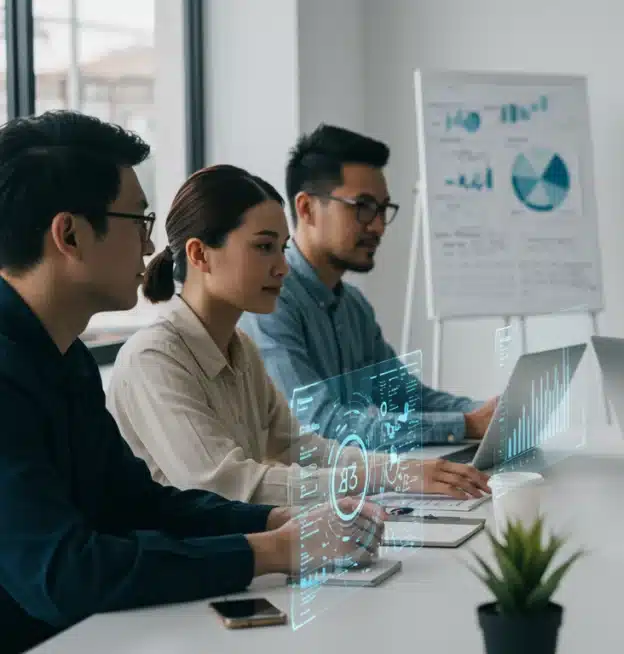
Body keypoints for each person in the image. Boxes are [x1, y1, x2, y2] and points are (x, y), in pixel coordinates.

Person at [0, 112, 384, 653]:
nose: (151, 244)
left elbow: (139, 503)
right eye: (138, 220)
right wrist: (271, 551)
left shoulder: (64, 358)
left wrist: (277, 520)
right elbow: (64, 573)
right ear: (70, 234)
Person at [105, 164, 492, 507]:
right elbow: (225, 486)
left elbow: (301, 447)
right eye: (263, 247)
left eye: (282, 248)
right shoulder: (154, 357)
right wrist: (390, 476)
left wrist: (404, 470)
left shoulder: (242, 349)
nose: (282, 267)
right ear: (200, 254)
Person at [238, 124, 498, 446]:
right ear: (306, 208)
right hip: (301, 490)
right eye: (362, 207)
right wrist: (464, 424)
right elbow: (319, 425)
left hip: (353, 481)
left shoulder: (353, 306)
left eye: (382, 209)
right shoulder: (271, 301)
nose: (377, 226)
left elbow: (408, 397)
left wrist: (488, 412)